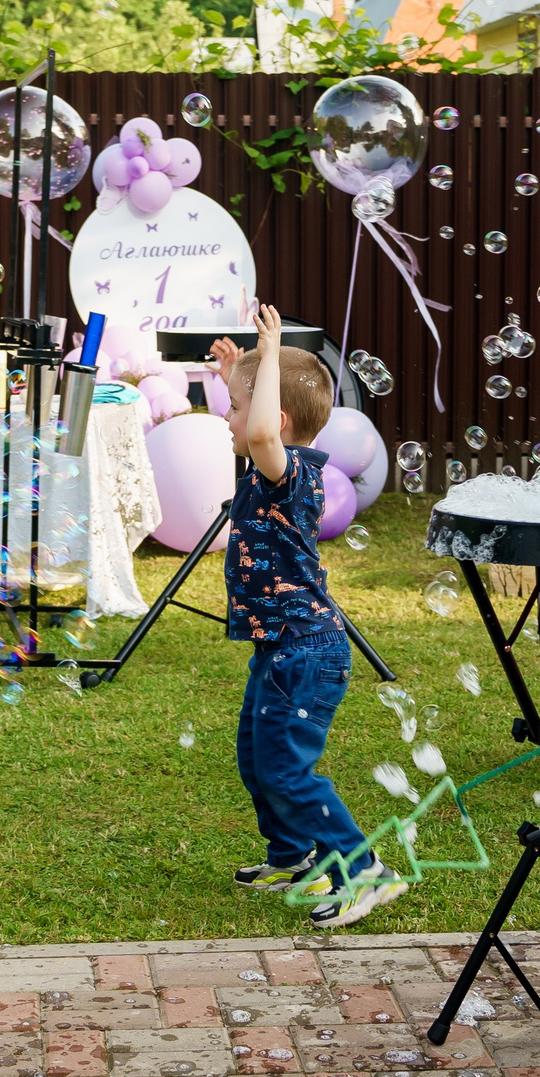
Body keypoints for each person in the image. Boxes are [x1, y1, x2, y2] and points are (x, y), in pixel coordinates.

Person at [207, 306, 405, 930]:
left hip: (306, 651)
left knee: (287, 769)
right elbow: (259, 428)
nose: (229, 419)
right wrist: (239, 372)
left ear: (277, 421)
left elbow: (262, 433)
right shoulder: (274, 468)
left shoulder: (289, 473)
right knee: (256, 757)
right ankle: (296, 857)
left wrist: (268, 351)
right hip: (281, 646)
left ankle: (363, 867)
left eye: (237, 408)